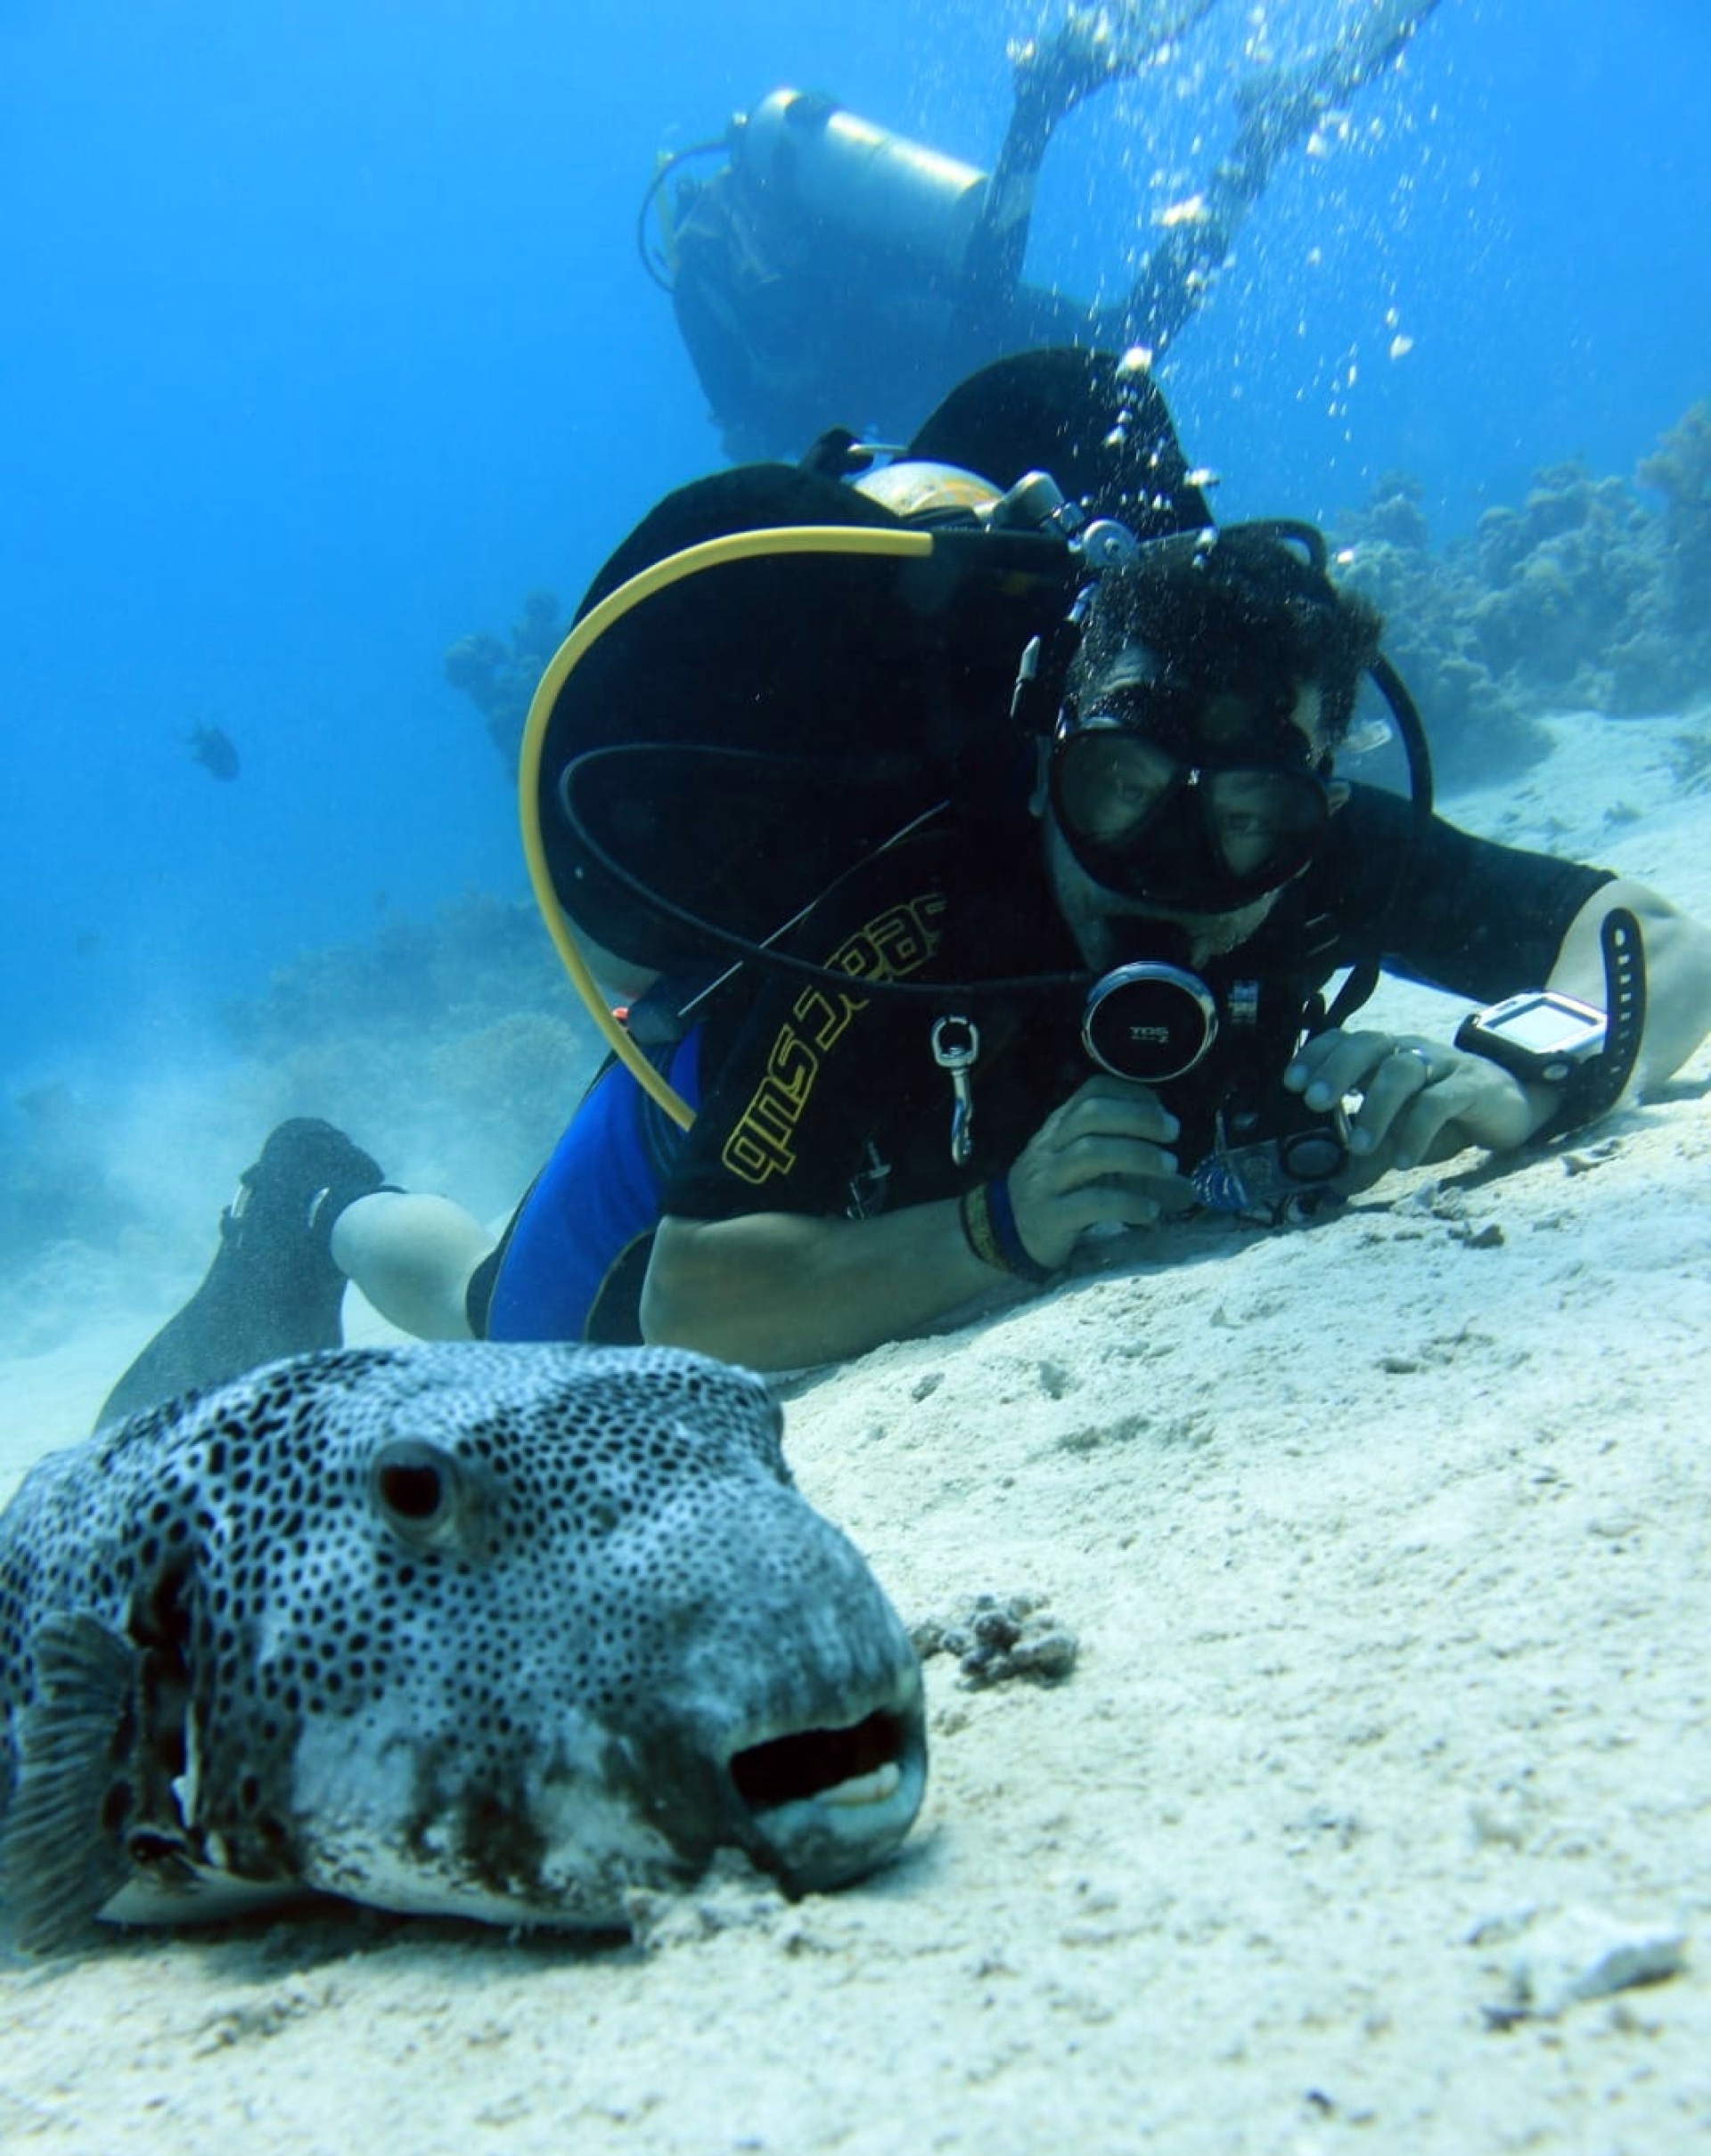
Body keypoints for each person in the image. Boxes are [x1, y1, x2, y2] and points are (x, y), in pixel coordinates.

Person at [98, 349, 1711, 1425]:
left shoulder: (1306, 843)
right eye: (1119, 794)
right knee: (487, 1305)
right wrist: (996, 1229)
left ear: (1312, 799)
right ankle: (319, 1194)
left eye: (1240, 828)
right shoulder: (917, 895)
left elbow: (1655, 935)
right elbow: (692, 1286)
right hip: (731, 1158)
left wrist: (1532, 1068)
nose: (1168, 869)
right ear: (1050, 751)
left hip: (926, 1179)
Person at [651, 0, 1441, 459]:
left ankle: (1042, 104)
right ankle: (1256, 143)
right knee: (1125, 348)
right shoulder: (752, 241)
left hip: (906, 359)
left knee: (1079, 344)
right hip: (925, 307)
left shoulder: (700, 280)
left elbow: (764, 428)